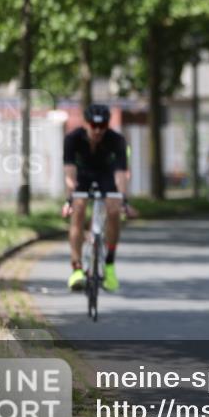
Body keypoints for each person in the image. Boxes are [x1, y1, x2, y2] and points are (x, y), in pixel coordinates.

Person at [61, 104, 135, 292]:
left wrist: (123, 199)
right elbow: (70, 173)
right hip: (83, 175)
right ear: (85, 123)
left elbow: (120, 174)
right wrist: (69, 199)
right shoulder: (72, 139)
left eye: (102, 126)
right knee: (77, 209)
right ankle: (77, 268)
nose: (97, 130)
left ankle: (109, 264)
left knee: (113, 209)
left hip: (106, 175)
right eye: (93, 125)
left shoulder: (116, 140)